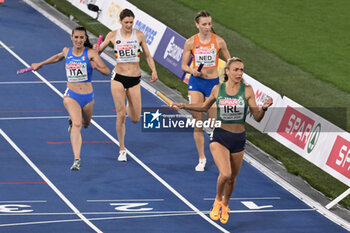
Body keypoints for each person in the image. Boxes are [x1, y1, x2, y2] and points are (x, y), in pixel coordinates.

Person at [170, 57, 273, 224]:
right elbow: (204, 107)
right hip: (220, 136)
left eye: (241, 70)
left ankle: (225, 204)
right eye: (236, 70)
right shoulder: (218, 89)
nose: (239, 73)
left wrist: (264, 109)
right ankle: (218, 200)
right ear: (227, 71)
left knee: (232, 178)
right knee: (225, 174)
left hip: (239, 139)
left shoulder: (247, 91)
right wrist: (182, 105)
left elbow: (257, 117)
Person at [31, 26, 110, 170]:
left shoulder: (91, 53)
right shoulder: (67, 51)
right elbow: (57, 57)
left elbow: (107, 71)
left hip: (88, 96)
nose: (78, 40)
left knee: (86, 124)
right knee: (78, 124)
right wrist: (40, 64)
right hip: (71, 95)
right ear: (71, 37)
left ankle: (72, 123)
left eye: (81, 37)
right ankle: (77, 159)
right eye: (76, 37)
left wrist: (97, 67)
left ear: (85, 39)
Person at [94, 8, 158, 162]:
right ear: (121, 22)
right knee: (121, 114)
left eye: (131, 22)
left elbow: (148, 56)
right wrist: (96, 51)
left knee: (135, 118)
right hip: (118, 77)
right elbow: (98, 51)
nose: (129, 25)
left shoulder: (139, 36)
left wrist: (154, 70)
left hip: (134, 79)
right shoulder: (113, 35)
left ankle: (129, 101)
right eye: (126, 22)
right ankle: (122, 149)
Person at [182, 10, 231, 171]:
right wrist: (192, 71)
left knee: (214, 123)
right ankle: (201, 158)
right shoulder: (190, 42)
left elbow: (230, 62)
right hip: (196, 83)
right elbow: (183, 65)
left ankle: (219, 151)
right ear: (197, 25)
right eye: (204, 24)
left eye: (209, 24)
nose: (207, 27)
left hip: (213, 84)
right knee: (197, 122)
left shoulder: (219, 42)